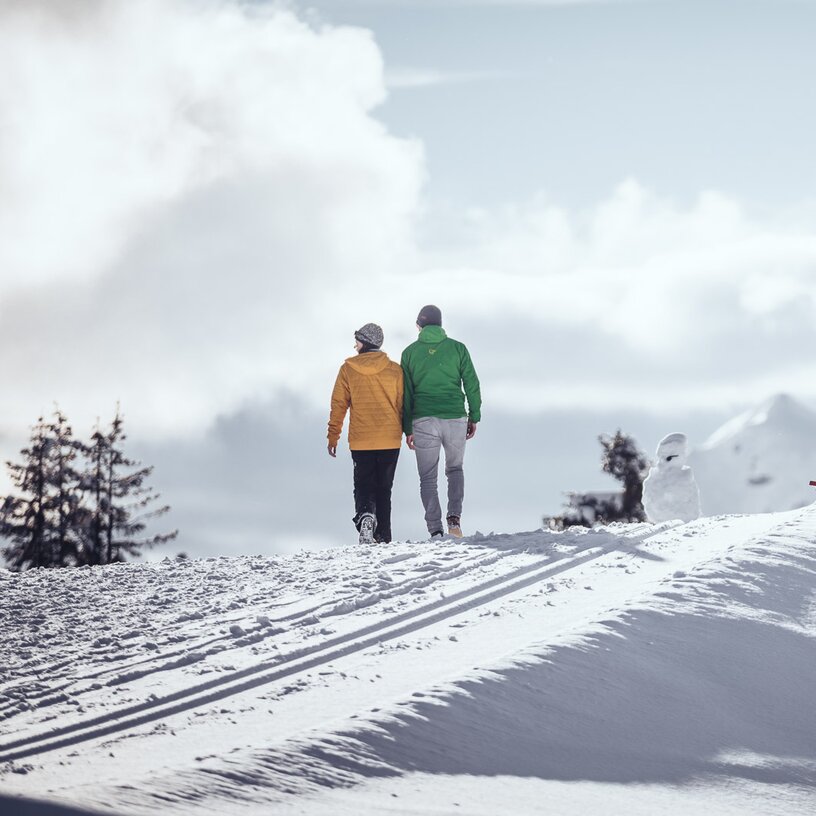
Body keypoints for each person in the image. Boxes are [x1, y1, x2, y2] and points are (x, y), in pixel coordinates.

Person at [401, 305, 481, 539]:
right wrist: (473, 415)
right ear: (440, 324)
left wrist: (407, 428)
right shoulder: (458, 349)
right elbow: (472, 384)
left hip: (423, 419)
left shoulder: (409, 353)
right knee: (455, 469)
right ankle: (454, 519)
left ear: (419, 325)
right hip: (455, 416)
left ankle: (435, 530)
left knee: (427, 477)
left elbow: (406, 394)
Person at [327, 323, 403, 545]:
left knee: (363, 484)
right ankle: (383, 536)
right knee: (384, 488)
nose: (355, 345)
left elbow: (338, 405)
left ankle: (366, 516)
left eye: (358, 340)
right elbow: (402, 405)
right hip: (389, 438)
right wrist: (409, 432)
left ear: (366, 342)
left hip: (361, 440)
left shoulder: (348, 369)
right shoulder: (395, 370)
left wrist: (333, 436)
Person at [642, 432, 701, 523]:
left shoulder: (686, 477)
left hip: (683, 522)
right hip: (664, 520)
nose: (685, 457)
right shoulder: (655, 477)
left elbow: (692, 504)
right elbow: (650, 501)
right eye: (683, 453)